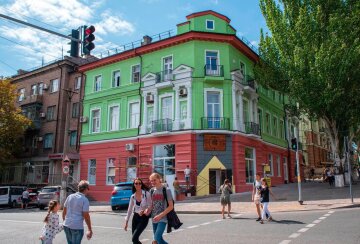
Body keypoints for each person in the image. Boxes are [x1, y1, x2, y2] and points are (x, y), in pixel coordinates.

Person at [124, 178, 152, 244]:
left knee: (134, 238)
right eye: (136, 183)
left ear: (141, 184)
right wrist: (126, 222)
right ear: (134, 185)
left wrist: (145, 210)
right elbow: (129, 209)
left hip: (144, 218)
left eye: (140, 183)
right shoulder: (133, 196)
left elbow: (150, 206)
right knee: (135, 241)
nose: (138, 185)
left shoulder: (146, 194)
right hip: (135, 218)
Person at [149, 173, 173, 244]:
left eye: (154, 180)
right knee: (160, 240)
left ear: (159, 179)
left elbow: (171, 206)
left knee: (155, 240)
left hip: (163, 218)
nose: (152, 182)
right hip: (154, 218)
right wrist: (147, 209)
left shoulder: (166, 190)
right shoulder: (152, 191)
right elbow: (151, 205)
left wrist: (160, 215)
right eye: (151, 181)